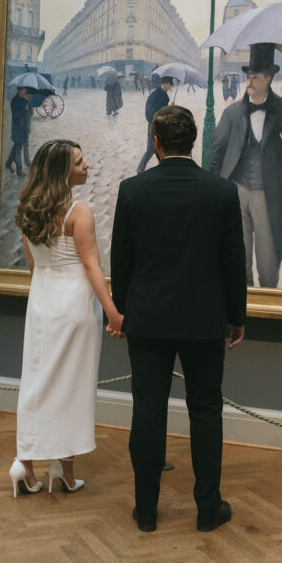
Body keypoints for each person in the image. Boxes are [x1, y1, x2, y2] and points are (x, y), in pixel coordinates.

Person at [110, 106, 246, 533]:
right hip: (205, 320)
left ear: (156, 143)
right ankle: (208, 509)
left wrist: (123, 310)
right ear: (193, 143)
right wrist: (236, 316)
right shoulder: (221, 191)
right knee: (206, 410)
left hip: (147, 319)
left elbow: (122, 260)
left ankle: (146, 511)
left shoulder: (133, 190)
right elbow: (233, 262)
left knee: (147, 410)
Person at [9, 139, 124, 498]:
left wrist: (45, 294)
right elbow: (92, 266)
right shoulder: (80, 211)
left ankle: (27, 465)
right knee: (72, 386)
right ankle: (64, 468)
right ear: (63, 172)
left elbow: (32, 266)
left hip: (41, 301)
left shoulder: (27, 208)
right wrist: (113, 312)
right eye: (79, 162)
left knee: (37, 381)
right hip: (74, 304)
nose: (86, 165)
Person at [209, 43, 282, 288]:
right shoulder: (232, 113)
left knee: (268, 265)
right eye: (248, 77)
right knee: (238, 260)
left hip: (269, 196)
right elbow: (216, 155)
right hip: (236, 193)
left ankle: (269, 306)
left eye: (255, 77)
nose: (249, 82)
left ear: (269, 78)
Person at [136, 75, 174, 172]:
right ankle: (140, 170)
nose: (170, 87)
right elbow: (153, 112)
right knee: (151, 150)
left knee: (161, 149)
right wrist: (168, 109)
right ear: (164, 84)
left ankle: (162, 170)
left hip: (161, 125)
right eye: (169, 85)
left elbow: (163, 111)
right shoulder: (156, 95)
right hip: (154, 125)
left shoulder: (163, 94)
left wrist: (169, 108)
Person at [5, 86, 32, 176]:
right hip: (17, 129)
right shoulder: (14, 101)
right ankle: (19, 170)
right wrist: (24, 109)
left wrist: (30, 109)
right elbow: (16, 115)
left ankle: (8, 164)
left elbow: (29, 114)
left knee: (15, 148)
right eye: (24, 89)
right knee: (18, 150)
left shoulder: (24, 100)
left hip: (23, 129)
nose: (26, 91)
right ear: (20, 90)